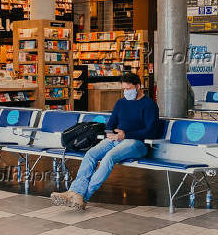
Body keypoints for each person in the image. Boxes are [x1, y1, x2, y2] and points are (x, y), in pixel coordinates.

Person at [50, 72, 160, 210]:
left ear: (138, 87)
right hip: (116, 139)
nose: (126, 92)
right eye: (124, 89)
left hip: (137, 143)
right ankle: (75, 192)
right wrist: (110, 132)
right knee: (91, 154)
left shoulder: (149, 105)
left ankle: (83, 196)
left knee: (109, 157)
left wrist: (126, 135)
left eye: (129, 89)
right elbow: (111, 123)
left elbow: (152, 131)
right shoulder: (121, 103)